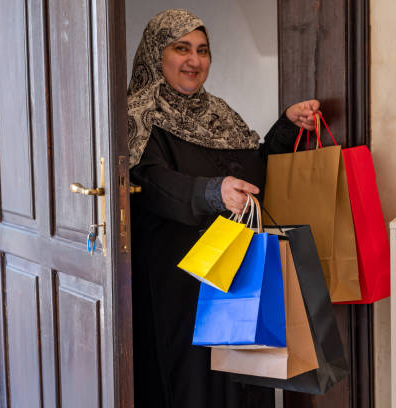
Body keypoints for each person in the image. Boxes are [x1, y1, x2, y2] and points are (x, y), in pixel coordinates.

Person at [128, 9, 320, 408]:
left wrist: (286, 126)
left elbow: (254, 170)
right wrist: (214, 193)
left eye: (202, 50)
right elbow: (152, 183)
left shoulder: (219, 114)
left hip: (236, 270)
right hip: (180, 280)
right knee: (191, 383)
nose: (194, 61)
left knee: (245, 374)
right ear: (156, 53)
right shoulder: (139, 115)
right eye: (181, 48)